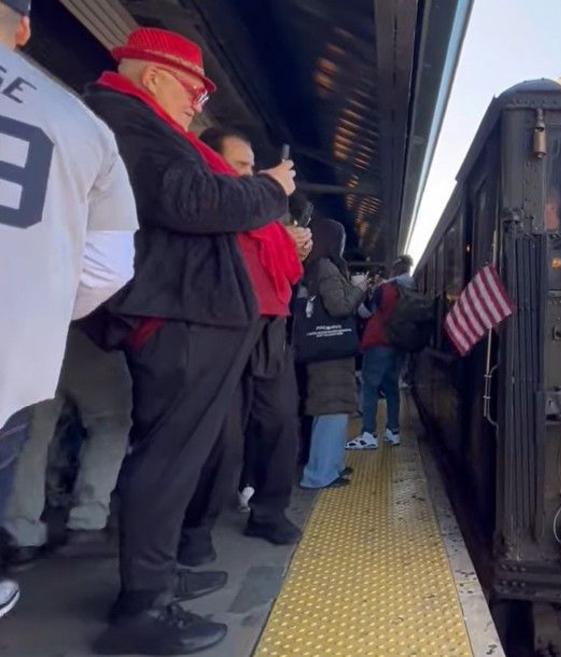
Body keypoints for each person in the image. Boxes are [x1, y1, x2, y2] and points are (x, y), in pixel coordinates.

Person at [82, 27, 298, 654]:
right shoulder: (127, 120)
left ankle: (157, 580)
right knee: (169, 458)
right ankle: (141, 609)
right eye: (192, 90)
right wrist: (270, 189)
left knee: (177, 456)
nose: (196, 105)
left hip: (187, 312)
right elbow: (191, 199)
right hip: (178, 315)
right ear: (152, 76)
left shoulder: (132, 122)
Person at [0, 0, 137, 618]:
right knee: (104, 420)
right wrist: (50, 309)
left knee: (38, 432)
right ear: (25, 28)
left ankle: (22, 528)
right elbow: (111, 266)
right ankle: (86, 515)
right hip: (30, 336)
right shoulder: (80, 126)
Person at [173, 127, 312, 572]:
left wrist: (295, 247)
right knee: (221, 437)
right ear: (211, 163)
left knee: (280, 423)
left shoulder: (264, 214)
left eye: (252, 166)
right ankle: (193, 528)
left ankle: (268, 513)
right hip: (223, 325)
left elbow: (283, 268)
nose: (252, 174)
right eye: (241, 166)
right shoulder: (204, 202)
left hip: (271, 325)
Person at [4, 325, 132, 564]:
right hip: (89, 330)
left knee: (33, 434)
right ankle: (87, 523)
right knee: (110, 422)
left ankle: (20, 535)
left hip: (35, 333)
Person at [300, 219, 364, 488]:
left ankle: (331, 467)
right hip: (329, 353)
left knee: (332, 410)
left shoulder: (316, 267)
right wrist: (359, 288)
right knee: (331, 409)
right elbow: (338, 306)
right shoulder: (326, 267)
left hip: (326, 351)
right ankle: (318, 475)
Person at [348, 256, 415, 449]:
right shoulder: (411, 289)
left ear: (394, 271)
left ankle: (368, 433)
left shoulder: (385, 289)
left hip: (379, 343)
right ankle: (393, 432)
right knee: (392, 387)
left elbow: (365, 312)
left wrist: (359, 296)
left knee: (370, 387)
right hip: (399, 345)